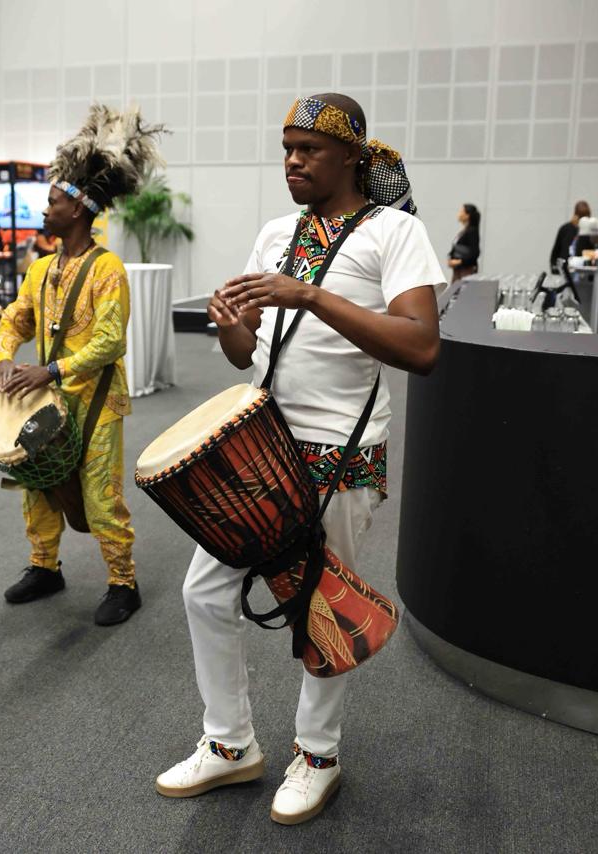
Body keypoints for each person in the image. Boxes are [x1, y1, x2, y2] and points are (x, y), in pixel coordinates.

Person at [155, 93, 442, 825]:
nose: (292, 161)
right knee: (204, 591)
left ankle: (318, 756)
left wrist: (308, 295)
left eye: (308, 148)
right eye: (286, 148)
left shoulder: (395, 231)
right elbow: (244, 352)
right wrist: (231, 326)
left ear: (351, 156)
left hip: (341, 450)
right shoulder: (276, 233)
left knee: (321, 606)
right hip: (260, 442)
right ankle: (230, 743)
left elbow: (421, 347)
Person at [0, 104, 164, 627]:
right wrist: (5, 358)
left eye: (53, 202)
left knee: (101, 494)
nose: (45, 210)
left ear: (79, 209)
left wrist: (49, 371)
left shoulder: (107, 268)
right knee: (37, 482)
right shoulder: (41, 268)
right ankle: (45, 567)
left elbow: (111, 342)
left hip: (97, 402)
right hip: (47, 398)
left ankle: (123, 582)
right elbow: (16, 318)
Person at [550, 200, 590, 272]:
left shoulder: (590, 231)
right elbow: (556, 250)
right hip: (565, 268)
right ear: (576, 215)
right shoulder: (565, 229)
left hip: (583, 269)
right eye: (581, 217)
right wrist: (554, 266)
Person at [448, 203, 480, 281]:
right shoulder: (464, 231)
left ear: (467, 215)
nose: (459, 214)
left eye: (461, 211)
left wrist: (459, 261)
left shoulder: (472, 232)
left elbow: (475, 252)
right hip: (458, 271)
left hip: (466, 271)